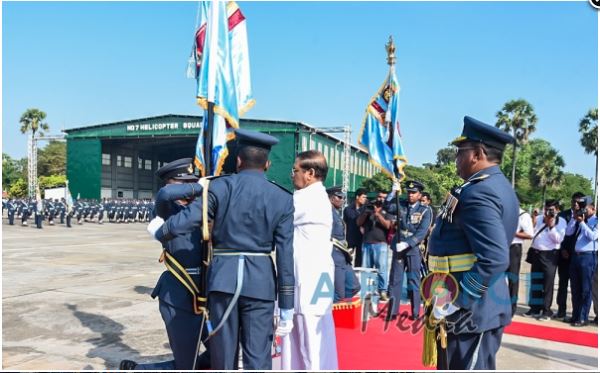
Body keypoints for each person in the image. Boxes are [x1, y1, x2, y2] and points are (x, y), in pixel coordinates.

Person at [147, 129, 295, 370]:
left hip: (223, 281)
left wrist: (160, 232)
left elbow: (186, 220)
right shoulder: (282, 198)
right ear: (267, 164)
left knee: (223, 356)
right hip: (261, 283)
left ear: (238, 160)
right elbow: (285, 255)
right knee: (258, 357)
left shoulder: (221, 187)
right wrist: (287, 304)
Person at [426, 116, 519, 370]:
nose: (456, 159)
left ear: (477, 153)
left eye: (460, 152)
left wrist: (458, 299)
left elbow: (494, 258)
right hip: (473, 304)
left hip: (472, 308)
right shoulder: (492, 186)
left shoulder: (480, 192)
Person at [119, 158, 210, 370]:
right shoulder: (165, 208)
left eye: (194, 181)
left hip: (209, 291)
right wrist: (202, 186)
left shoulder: (203, 206)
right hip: (179, 292)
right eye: (184, 183)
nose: (190, 188)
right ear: (170, 183)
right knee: (186, 364)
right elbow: (165, 194)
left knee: (221, 355)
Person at [282, 150, 337, 370]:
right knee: (312, 340)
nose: (292, 175)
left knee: (309, 342)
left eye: (295, 170)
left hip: (308, 279)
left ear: (310, 173)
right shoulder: (316, 196)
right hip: (316, 277)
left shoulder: (307, 198)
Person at [387, 180, 432, 320]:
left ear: (420, 195)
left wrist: (407, 243)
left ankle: (415, 312)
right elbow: (387, 208)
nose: (410, 195)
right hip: (398, 248)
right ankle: (392, 311)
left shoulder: (425, 210)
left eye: (414, 193)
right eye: (409, 192)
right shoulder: (401, 205)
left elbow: (422, 232)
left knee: (413, 281)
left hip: (412, 249)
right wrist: (392, 193)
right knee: (395, 280)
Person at [523, 199, 567, 321]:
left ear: (557, 210)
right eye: (547, 208)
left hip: (550, 255)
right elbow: (532, 232)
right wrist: (534, 219)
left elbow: (558, 239)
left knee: (548, 284)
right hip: (536, 253)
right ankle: (534, 308)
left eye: (551, 209)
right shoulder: (540, 217)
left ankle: (546, 311)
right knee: (536, 281)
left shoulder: (560, 221)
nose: (548, 211)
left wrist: (551, 225)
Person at [357, 190, 393, 303]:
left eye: (383, 197)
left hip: (381, 244)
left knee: (382, 269)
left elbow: (388, 225)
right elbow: (358, 223)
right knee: (366, 269)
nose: (380, 199)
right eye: (379, 196)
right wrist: (366, 213)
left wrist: (378, 215)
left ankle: (382, 291)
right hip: (367, 243)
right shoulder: (368, 207)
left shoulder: (388, 209)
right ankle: (366, 291)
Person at [566, 198, 597, 327]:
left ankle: (583, 317)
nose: (583, 210)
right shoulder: (579, 219)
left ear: (593, 209)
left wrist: (583, 223)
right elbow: (568, 232)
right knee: (575, 288)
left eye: (586, 207)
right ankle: (575, 315)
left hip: (588, 257)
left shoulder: (596, 221)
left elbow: (593, 236)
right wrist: (574, 219)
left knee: (585, 289)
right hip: (576, 256)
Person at [327, 186, 360, 302]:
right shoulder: (326, 213)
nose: (342, 200)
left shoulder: (335, 212)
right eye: (339, 197)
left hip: (343, 255)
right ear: (331, 198)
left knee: (353, 286)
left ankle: (342, 309)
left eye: (343, 197)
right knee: (338, 293)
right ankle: (333, 316)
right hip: (334, 255)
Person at [555, 192, 585, 320]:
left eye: (579, 202)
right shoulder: (562, 215)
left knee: (577, 286)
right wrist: (562, 249)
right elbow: (558, 234)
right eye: (574, 201)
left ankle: (576, 314)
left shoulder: (586, 217)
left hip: (578, 256)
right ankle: (561, 310)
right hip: (563, 255)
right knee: (562, 284)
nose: (576, 204)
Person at [508, 206, 534, 316]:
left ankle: (511, 308)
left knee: (513, 279)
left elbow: (529, 234)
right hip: (501, 246)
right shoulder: (503, 211)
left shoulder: (523, 215)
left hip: (514, 248)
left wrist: (513, 233)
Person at [343, 188, 367, 267]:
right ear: (357, 197)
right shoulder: (348, 209)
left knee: (359, 260)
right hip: (350, 237)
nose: (365, 199)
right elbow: (345, 224)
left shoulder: (366, 209)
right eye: (363, 197)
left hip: (362, 238)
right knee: (347, 257)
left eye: (365, 197)